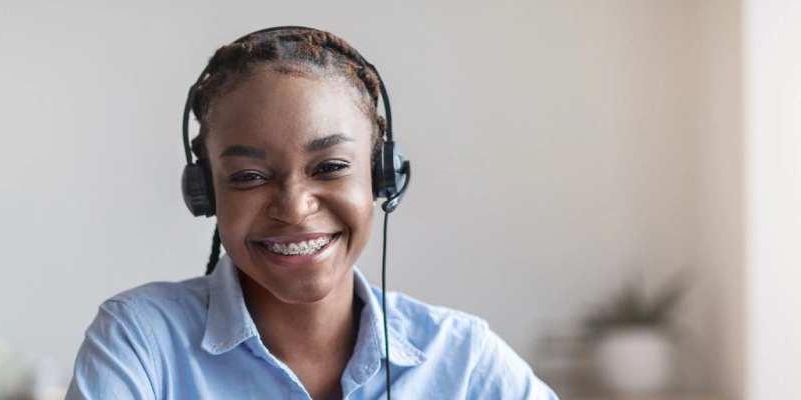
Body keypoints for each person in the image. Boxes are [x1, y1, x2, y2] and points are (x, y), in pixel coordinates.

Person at [67, 27, 558, 400]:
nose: (295, 208)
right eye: (249, 176)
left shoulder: (464, 359)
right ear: (205, 193)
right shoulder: (141, 343)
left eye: (330, 167)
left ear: (382, 177)